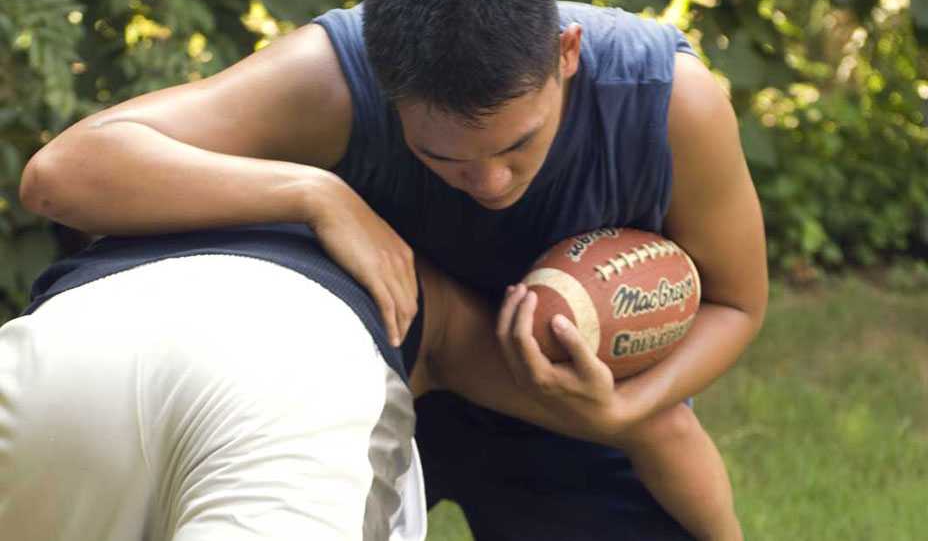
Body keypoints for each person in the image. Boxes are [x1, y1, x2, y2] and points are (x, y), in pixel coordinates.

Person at [19, 0, 768, 540]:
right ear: (385, 88)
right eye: (445, 157)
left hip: (572, 395)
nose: (491, 182)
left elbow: (736, 303)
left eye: (517, 145)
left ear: (565, 53)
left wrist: (621, 410)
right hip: (385, 369)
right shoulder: (333, 77)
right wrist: (315, 193)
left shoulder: (669, 102)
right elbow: (63, 173)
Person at [1, 223, 731, 541]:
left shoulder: (248, 180)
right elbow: (660, 424)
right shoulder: (455, 321)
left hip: (74, 339)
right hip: (294, 375)